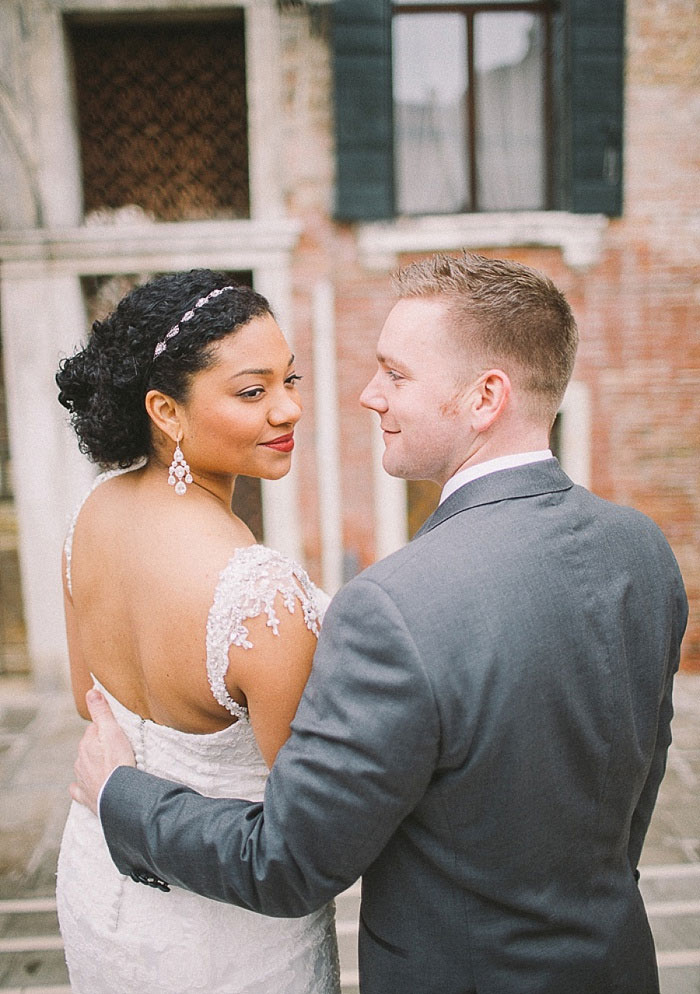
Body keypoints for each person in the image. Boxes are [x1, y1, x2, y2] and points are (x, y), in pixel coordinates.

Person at [73, 252, 688, 994]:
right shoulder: (644, 551)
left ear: (485, 397)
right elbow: (633, 784)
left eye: (395, 374)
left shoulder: (392, 606)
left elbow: (291, 860)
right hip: (612, 963)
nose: (367, 396)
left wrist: (119, 795)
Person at [54, 269, 341, 994]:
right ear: (166, 410)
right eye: (253, 391)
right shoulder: (256, 593)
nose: (290, 410)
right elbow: (305, 832)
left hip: (100, 877)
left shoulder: (92, 511)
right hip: (232, 934)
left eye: (290, 380)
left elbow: (84, 696)